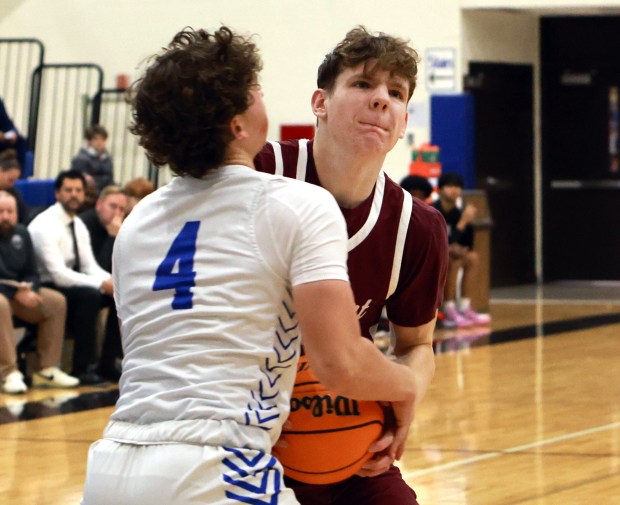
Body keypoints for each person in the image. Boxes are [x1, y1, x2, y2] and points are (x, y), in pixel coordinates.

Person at [81, 26, 417, 505]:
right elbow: (340, 364)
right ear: (238, 124)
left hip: (112, 464)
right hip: (217, 466)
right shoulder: (300, 203)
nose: (265, 96)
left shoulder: (139, 221)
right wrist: (407, 387)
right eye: (256, 90)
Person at [254, 26, 448, 505]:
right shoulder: (256, 174)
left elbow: (417, 344)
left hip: (335, 425)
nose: (381, 99)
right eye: (363, 84)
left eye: (396, 93)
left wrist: (406, 394)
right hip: (237, 429)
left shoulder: (417, 227)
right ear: (319, 102)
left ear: (403, 123)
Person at [28, 170, 112, 385]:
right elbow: (58, 275)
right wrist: (101, 284)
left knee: (113, 295)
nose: (74, 195)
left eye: (78, 190)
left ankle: (107, 364)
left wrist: (113, 282)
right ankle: (81, 368)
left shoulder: (78, 224)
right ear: (57, 193)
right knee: (90, 296)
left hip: (69, 282)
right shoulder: (44, 224)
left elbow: (89, 266)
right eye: (68, 190)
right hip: (44, 284)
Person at [0, 190, 79, 394]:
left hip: (18, 294)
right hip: (5, 296)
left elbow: (32, 272)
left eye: (10, 211)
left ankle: (46, 369)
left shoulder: (21, 233)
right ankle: (8, 372)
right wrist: (15, 292)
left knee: (55, 302)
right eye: (0, 211)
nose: (6, 216)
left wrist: (32, 289)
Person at [79, 185, 127, 380]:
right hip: (79, 280)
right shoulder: (85, 224)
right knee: (91, 299)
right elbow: (95, 265)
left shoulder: (120, 228)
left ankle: (108, 362)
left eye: (121, 209)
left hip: (101, 282)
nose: (117, 213)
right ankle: (86, 365)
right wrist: (112, 238)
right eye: (112, 206)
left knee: (122, 299)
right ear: (99, 204)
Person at [431, 172, 491, 327]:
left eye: (457, 187)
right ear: (440, 189)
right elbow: (438, 241)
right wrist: (463, 222)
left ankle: (464, 306)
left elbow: (467, 243)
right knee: (453, 260)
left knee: (472, 257)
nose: (454, 190)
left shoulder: (458, 213)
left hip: (449, 252)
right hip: (432, 255)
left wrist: (461, 247)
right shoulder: (433, 211)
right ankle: (448, 307)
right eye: (450, 186)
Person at [70, 124, 115, 192]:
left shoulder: (107, 158)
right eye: (96, 139)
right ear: (89, 141)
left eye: (103, 139)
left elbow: (110, 178)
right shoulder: (81, 159)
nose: (100, 142)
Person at [0, 149, 30, 224]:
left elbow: (23, 217)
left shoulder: (14, 194)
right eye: (10, 180)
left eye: (14, 181)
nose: (12, 184)